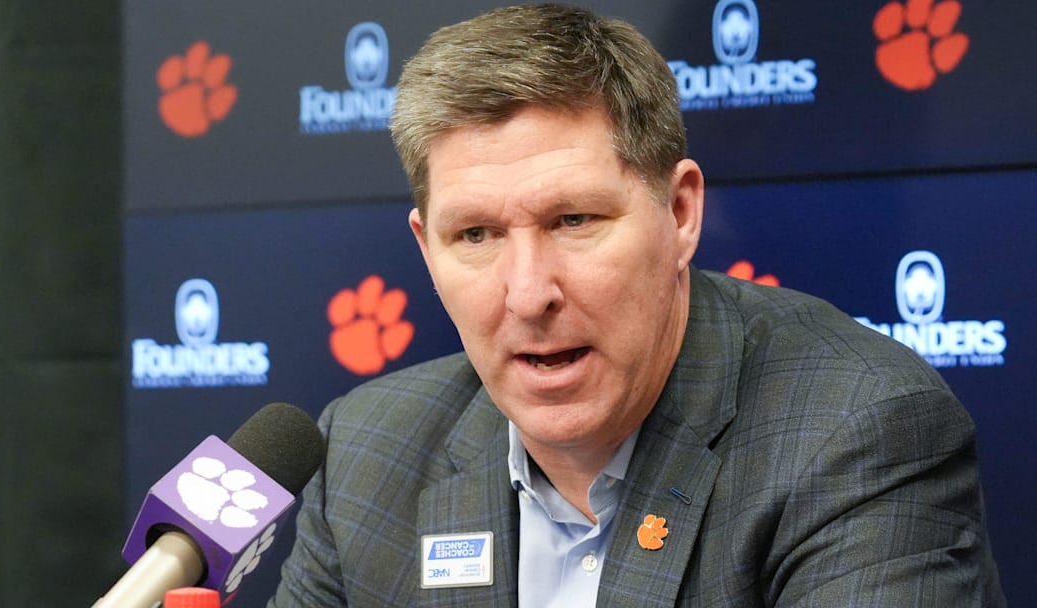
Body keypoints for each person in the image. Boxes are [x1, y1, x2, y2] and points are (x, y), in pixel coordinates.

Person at [270, 4, 1003, 606]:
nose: (528, 294)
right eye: (477, 234)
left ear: (680, 214)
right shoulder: (366, 455)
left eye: (575, 221)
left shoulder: (857, 434)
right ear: (426, 249)